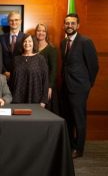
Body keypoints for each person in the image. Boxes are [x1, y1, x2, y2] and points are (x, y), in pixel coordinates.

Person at [61, 13, 98, 159]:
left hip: (80, 88)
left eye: (72, 23)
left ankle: (79, 149)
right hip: (66, 87)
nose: (69, 26)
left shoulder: (85, 42)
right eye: (67, 23)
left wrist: (88, 85)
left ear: (78, 25)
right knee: (68, 118)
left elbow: (94, 66)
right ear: (64, 25)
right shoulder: (63, 43)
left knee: (79, 119)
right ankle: (70, 145)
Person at [10, 33, 48, 108]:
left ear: (34, 43)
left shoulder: (40, 59)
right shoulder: (16, 59)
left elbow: (45, 80)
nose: (27, 43)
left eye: (30, 41)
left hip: (35, 98)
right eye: (25, 41)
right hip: (17, 99)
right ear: (22, 44)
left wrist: (44, 100)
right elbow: (12, 80)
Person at [35, 23, 59, 114]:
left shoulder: (51, 49)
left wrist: (49, 87)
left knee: (46, 112)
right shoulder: (32, 47)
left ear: (46, 33)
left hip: (46, 85)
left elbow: (54, 70)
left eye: (43, 31)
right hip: (35, 84)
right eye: (38, 30)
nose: (41, 33)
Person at [0, 11, 25, 84]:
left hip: (21, 76)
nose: (14, 22)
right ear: (8, 22)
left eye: (16, 20)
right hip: (4, 76)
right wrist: (4, 71)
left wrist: (17, 72)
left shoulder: (26, 38)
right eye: (11, 20)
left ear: (20, 21)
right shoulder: (0, 39)